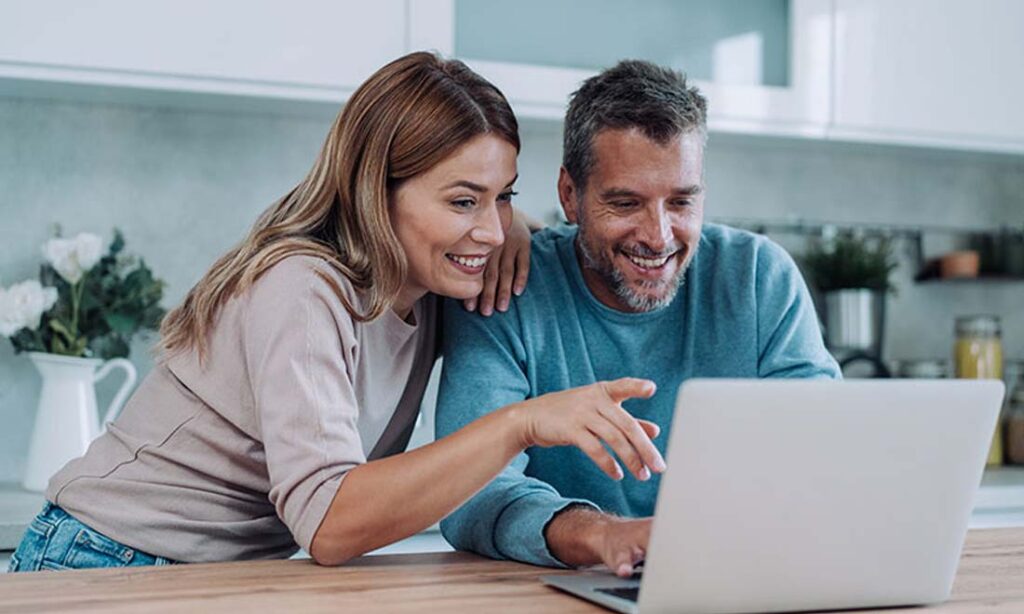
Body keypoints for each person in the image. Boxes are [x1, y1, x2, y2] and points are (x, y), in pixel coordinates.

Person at [8, 52, 668, 573]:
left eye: (503, 196)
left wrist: (507, 219)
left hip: (212, 569)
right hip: (104, 554)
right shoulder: (303, 288)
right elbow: (328, 525)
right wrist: (519, 425)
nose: (493, 231)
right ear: (376, 194)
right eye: (464, 201)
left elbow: (503, 229)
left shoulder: (433, 276)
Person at [435, 60, 841, 577]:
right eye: (626, 202)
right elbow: (469, 493)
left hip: (740, 574)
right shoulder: (506, 288)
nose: (659, 236)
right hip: (565, 586)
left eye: (681, 202)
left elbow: (824, 451)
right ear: (569, 196)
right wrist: (602, 536)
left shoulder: (759, 279)